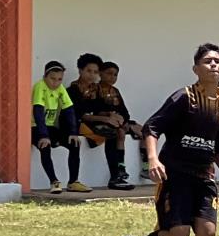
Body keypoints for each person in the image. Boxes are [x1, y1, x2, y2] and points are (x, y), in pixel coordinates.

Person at [108, 43, 219, 236]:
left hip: (204, 178)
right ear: (196, 69)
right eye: (207, 61)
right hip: (175, 176)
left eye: (217, 61)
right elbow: (152, 128)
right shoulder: (184, 97)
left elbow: (216, 146)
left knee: (208, 232)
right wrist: (154, 159)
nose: (213, 65)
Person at [70, 53, 134, 190]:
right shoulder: (73, 89)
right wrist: (105, 118)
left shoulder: (96, 89)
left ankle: (116, 176)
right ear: (80, 70)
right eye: (88, 71)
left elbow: (99, 109)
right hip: (76, 125)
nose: (92, 75)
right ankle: (115, 177)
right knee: (111, 133)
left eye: (95, 72)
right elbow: (81, 114)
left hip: (92, 123)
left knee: (116, 130)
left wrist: (111, 115)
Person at [31, 60, 84, 193]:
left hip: (50, 127)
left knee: (74, 143)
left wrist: (73, 132)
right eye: (52, 79)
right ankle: (54, 181)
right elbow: (38, 112)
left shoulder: (60, 89)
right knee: (45, 145)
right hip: (35, 127)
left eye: (59, 79)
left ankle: (73, 182)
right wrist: (43, 135)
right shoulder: (40, 87)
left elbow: (69, 110)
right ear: (45, 76)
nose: (55, 82)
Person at [95, 61, 145, 183]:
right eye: (109, 73)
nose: (112, 77)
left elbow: (124, 111)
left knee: (145, 131)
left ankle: (146, 166)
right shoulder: (95, 89)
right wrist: (110, 115)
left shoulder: (115, 91)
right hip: (105, 121)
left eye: (115, 75)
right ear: (101, 73)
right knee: (120, 133)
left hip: (120, 121)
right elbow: (94, 109)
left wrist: (125, 120)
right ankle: (121, 167)